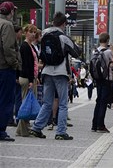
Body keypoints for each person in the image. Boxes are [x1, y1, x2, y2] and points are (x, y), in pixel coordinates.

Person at [29, 11, 81, 141]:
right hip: (60, 72)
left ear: (53, 21)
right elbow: (76, 53)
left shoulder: (45, 34)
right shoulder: (63, 37)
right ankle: (61, 132)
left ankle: (36, 128)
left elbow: (41, 53)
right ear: (64, 24)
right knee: (63, 103)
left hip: (46, 72)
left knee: (47, 103)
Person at [0, 1, 21, 142]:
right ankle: (1, 130)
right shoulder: (6, 25)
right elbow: (8, 48)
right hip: (5, 68)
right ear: (11, 12)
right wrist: (14, 63)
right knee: (5, 100)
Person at [16, 24, 39, 137]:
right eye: (31, 32)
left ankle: (22, 129)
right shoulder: (25, 46)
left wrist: (35, 77)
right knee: (26, 104)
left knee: (27, 103)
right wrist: (31, 80)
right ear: (26, 33)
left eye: (34, 32)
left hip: (30, 77)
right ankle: (22, 130)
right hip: (26, 78)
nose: (33, 34)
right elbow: (27, 65)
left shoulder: (30, 46)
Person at [91, 32, 113, 133]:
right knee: (103, 102)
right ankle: (101, 126)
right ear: (107, 41)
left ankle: (94, 125)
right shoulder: (108, 52)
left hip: (98, 79)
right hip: (106, 79)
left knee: (98, 101)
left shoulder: (95, 51)